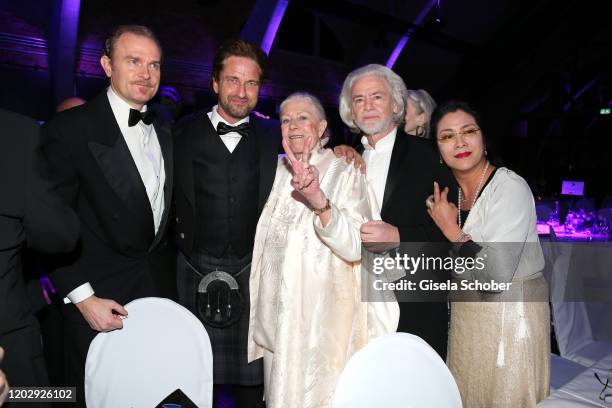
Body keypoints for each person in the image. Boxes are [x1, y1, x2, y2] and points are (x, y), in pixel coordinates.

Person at [40, 25, 176, 405]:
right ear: (106, 65)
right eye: (133, 61)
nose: (145, 74)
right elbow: (48, 225)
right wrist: (83, 298)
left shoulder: (165, 127)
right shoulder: (70, 129)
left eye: (154, 65)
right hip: (98, 302)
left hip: (154, 299)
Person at [247, 92, 398, 408]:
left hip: (322, 328)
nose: (293, 126)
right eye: (286, 120)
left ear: (322, 126)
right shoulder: (274, 171)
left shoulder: (346, 172)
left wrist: (320, 202)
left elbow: (357, 246)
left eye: (303, 118)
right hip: (277, 325)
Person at [426, 100, 550, 407]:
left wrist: (451, 231)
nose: (460, 142)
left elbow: (495, 274)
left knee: (506, 398)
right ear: (439, 152)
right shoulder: (449, 196)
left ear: (483, 140)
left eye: (469, 131)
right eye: (447, 136)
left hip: (510, 315)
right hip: (467, 321)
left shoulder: (508, 188)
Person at [338, 64, 456, 358]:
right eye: (359, 100)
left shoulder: (428, 156)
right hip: (356, 306)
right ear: (351, 111)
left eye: (377, 97)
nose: (368, 107)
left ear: (396, 104)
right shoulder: (343, 162)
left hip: (413, 305)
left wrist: (399, 237)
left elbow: (450, 237)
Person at [0, 109, 78, 401]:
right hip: (11, 343)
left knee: (61, 393)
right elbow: (61, 234)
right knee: (42, 395)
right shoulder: (16, 133)